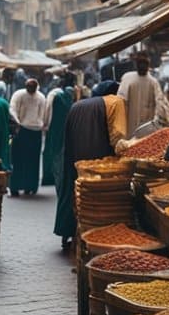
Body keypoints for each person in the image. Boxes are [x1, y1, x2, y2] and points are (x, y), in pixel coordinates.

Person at [54, 81, 127, 256]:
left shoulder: (78, 105)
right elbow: (117, 136)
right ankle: (97, 235)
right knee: (94, 194)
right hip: (97, 154)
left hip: (73, 154)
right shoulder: (115, 101)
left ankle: (67, 231)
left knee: (72, 188)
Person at [8, 78, 47, 196]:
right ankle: (22, 187)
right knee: (23, 160)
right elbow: (13, 110)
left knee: (26, 160)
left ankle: (26, 187)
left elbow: (43, 113)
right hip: (25, 129)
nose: (31, 89)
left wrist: (41, 124)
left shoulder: (40, 97)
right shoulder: (20, 95)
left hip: (31, 130)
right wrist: (18, 122)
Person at [118, 51, 169, 136]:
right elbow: (120, 102)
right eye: (141, 62)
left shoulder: (153, 83)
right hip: (132, 129)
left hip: (144, 130)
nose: (142, 65)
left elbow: (160, 106)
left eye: (144, 63)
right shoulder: (127, 78)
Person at [43, 74, 74, 186]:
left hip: (53, 126)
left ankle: (51, 176)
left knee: (52, 150)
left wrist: (45, 124)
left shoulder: (54, 94)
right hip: (65, 127)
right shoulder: (69, 94)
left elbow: (47, 109)